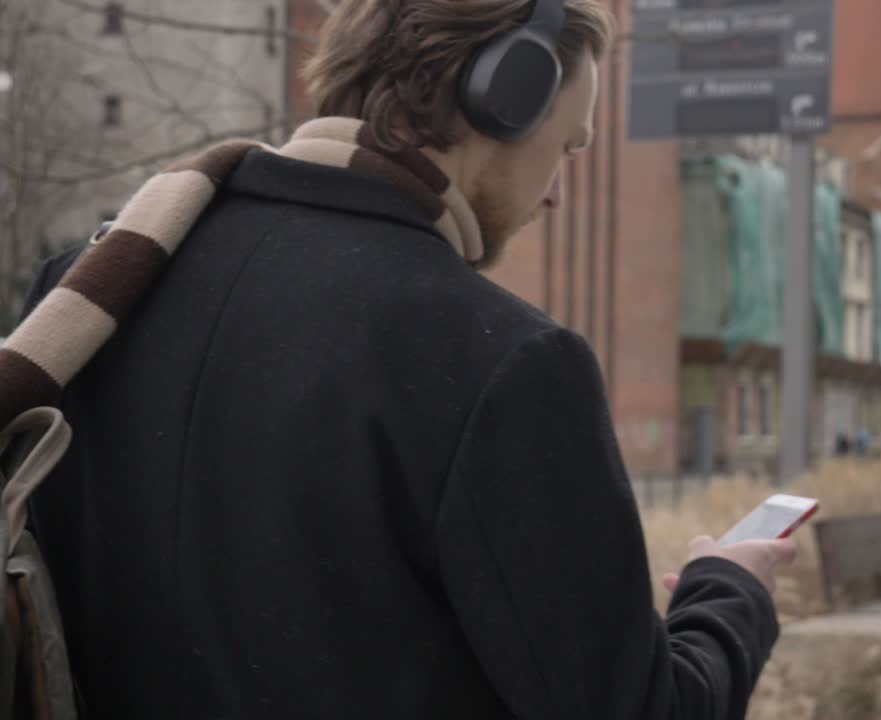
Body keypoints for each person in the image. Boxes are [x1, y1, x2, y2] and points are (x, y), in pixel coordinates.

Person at [6, 1, 796, 717]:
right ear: (505, 97)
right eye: (568, 146)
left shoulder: (90, 300)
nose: (556, 191)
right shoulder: (504, 363)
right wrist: (731, 594)